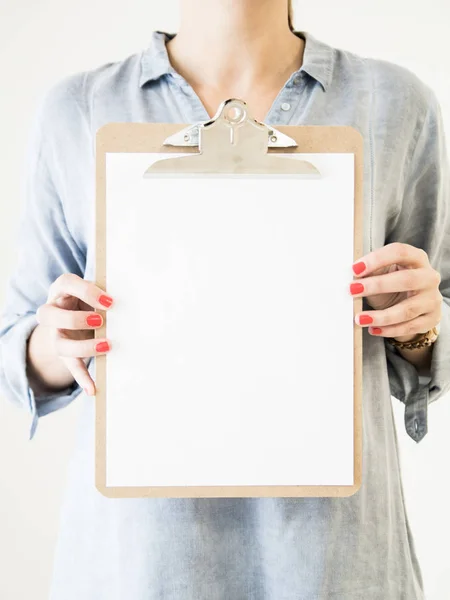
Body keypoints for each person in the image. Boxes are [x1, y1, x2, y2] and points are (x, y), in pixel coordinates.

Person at [0, 0, 449, 598]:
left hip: (334, 561)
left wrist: (421, 324)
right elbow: (17, 344)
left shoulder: (395, 102)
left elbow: (434, 320)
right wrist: (55, 340)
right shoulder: (78, 108)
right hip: (142, 561)